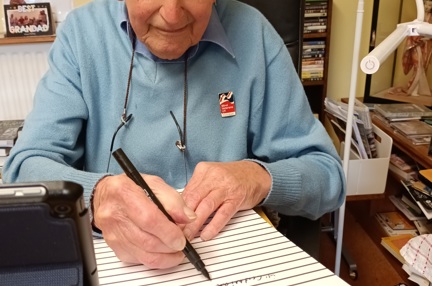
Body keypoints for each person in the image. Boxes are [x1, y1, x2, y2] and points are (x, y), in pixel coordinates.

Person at [3, 0, 346, 270]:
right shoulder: (81, 35)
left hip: (236, 265)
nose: (171, 14)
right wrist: (98, 196)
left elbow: (328, 178)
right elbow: (23, 170)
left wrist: (257, 177)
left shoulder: (255, 34)